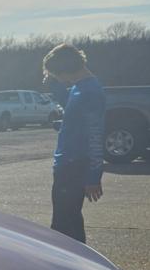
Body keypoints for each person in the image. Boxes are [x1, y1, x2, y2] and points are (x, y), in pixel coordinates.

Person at [41, 43, 105, 243]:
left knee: (64, 224)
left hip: (74, 165)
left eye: (56, 74)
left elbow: (96, 134)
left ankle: (70, 267)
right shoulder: (79, 88)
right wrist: (53, 83)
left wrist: (94, 175)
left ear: (66, 69)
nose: (58, 78)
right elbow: (68, 102)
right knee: (67, 220)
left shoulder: (90, 92)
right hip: (66, 163)